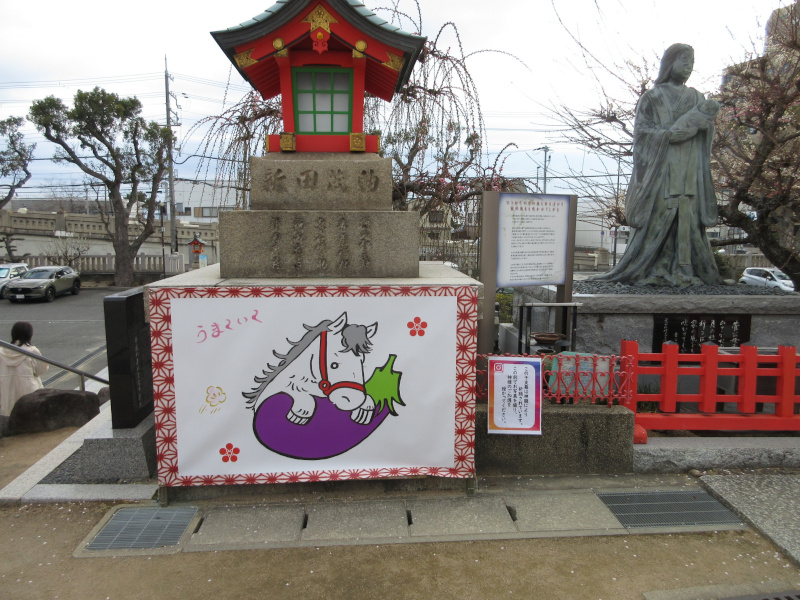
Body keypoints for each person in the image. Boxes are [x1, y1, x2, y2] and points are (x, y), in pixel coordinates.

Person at [592, 43, 723, 286]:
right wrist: (668, 136)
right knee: (660, 219)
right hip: (661, 173)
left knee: (689, 220)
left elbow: (706, 127)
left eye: (692, 63)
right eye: (684, 61)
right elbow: (641, 134)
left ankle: (687, 270)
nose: (688, 67)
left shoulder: (696, 97)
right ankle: (653, 268)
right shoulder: (651, 98)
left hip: (689, 171)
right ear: (669, 63)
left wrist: (704, 129)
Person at [0, 322, 48, 428]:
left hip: (6, 388)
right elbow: (41, 369)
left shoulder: (1, 351)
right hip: (28, 388)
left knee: (9, 413)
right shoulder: (32, 351)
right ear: (29, 335)